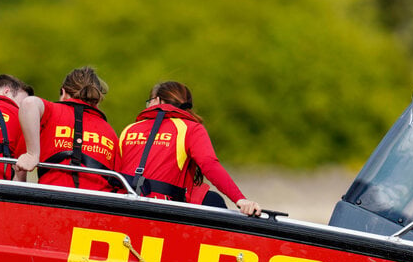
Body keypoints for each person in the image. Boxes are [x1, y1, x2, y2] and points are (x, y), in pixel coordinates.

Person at [118, 81, 261, 216]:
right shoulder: (191, 128)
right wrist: (240, 199)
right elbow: (209, 165)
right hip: (165, 209)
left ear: (158, 100)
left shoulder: (129, 129)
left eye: (149, 101)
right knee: (213, 200)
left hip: (122, 204)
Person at [14, 67, 121, 192]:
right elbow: (118, 184)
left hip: (52, 200)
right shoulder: (110, 132)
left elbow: (29, 103)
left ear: (64, 93)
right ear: (96, 101)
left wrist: (32, 154)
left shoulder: (50, 113)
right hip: (95, 206)